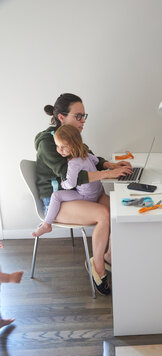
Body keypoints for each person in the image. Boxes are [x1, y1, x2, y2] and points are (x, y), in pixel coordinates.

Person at [35, 93, 132, 295]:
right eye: (78, 116)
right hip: (58, 198)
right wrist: (109, 173)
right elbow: (72, 177)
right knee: (103, 215)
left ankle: (109, 257)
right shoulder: (49, 142)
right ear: (62, 117)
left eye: (84, 115)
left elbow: (89, 156)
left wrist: (109, 164)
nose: (83, 121)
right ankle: (98, 269)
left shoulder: (71, 135)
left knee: (116, 208)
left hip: (81, 194)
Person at [33, 124, 107, 237]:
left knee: (56, 195)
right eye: (57, 146)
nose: (59, 150)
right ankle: (109, 254)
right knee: (110, 212)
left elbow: (70, 183)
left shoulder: (73, 163)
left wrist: (63, 183)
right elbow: (96, 161)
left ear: (74, 144)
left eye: (63, 147)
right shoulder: (86, 154)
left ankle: (46, 224)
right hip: (96, 193)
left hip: (85, 196)